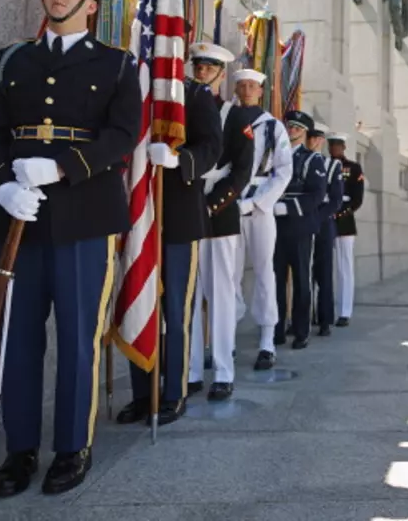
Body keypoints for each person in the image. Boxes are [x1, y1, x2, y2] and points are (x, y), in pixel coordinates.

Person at [0, 0, 141, 496]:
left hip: (84, 216)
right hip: (17, 214)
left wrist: (64, 167)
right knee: (17, 337)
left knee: (76, 337)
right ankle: (19, 451)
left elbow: (121, 136)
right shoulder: (11, 60)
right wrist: (1, 187)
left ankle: (72, 447)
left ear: (92, 3)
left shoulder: (117, 64)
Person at [114, 45, 223, 427]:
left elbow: (211, 147)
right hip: (139, 215)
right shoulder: (138, 87)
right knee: (137, 299)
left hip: (178, 217)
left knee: (175, 310)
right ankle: (143, 394)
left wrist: (181, 160)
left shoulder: (194, 95)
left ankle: (173, 393)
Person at [185, 43, 255, 401]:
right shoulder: (181, 108)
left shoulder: (237, 116)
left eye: (210, 67)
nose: (202, 71)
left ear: (221, 73)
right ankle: (192, 370)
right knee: (188, 297)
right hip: (184, 208)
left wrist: (213, 204)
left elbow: (242, 171)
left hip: (218, 211)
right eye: (198, 65)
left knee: (221, 296)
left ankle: (223, 371)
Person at [231, 69, 293, 370]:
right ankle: (225, 337)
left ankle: (267, 339)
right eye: (241, 85)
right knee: (229, 272)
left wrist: (257, 202)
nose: (246, 90)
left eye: (251, 86)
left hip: (259, 206)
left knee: (264, 270)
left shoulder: (272, 127)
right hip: (228, 202)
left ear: (261, 90)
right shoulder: (226, 118)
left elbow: (283, 171)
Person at [273, 110, 326, 349]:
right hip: (276, 226)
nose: (291, 131)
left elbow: (316, 195)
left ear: (305, 132)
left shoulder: (312, 160)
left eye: (296, 127)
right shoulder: (275, 155)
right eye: (289, 126)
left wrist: (288, 207)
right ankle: (277, 329)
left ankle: (301, 330)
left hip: (300, 227)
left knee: (302, 280)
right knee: (275, 280)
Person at [307, 128, 344, 335]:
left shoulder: (332, 165)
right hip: (304, 223)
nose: (313, 142)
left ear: (321, 141)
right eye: (310, 139)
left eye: (316, 139)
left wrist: (317, 217)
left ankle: (324, 319)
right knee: (304, 273)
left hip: (322, 223)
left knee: (323, 272)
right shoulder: (301, 161)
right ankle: (303, 317)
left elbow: (336, 200)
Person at [328, 133, 364, 326]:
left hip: (344, 222)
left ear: (343, 147)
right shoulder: (324, 165)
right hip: (325, 221)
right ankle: (323, 310)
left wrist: (340, 213)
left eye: (337, 146)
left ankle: (344, 311)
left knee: (344, 268)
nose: (333, 149)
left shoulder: (353, 168)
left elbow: (357, 198)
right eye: (331, 146)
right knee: (323, 268)